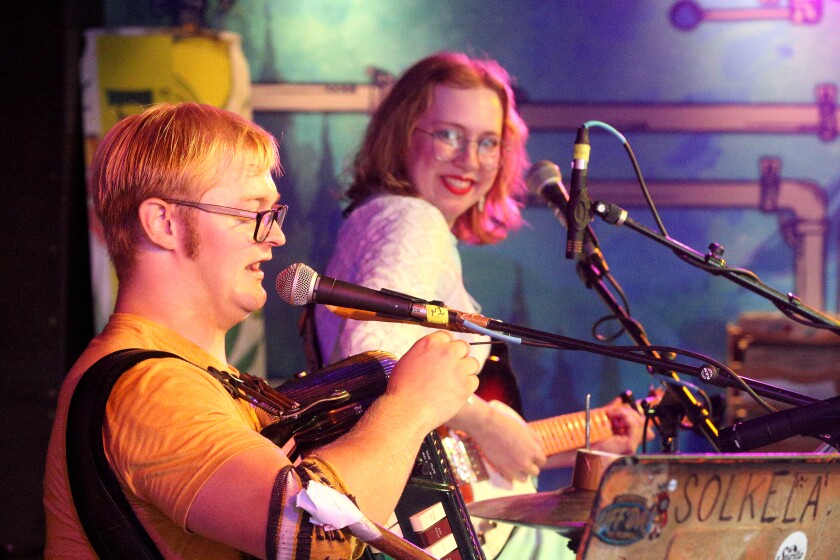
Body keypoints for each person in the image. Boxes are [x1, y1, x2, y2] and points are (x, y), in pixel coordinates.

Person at [42, 102, 480, 560]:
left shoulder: (193, 376)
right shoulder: (151, 388)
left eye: (273, 215)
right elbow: (312, 537)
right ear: (164, 223)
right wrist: (410, 408)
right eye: (251, 213)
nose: (275, 238)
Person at [315, 52, 648, 558]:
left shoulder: (380, 217)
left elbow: (446, 449)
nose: (470, 159)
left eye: (488, 142)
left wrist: (588, 436)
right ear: (403, 133)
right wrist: (488, 422)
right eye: (449, 134)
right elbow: (372, 355)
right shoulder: (413, 222)